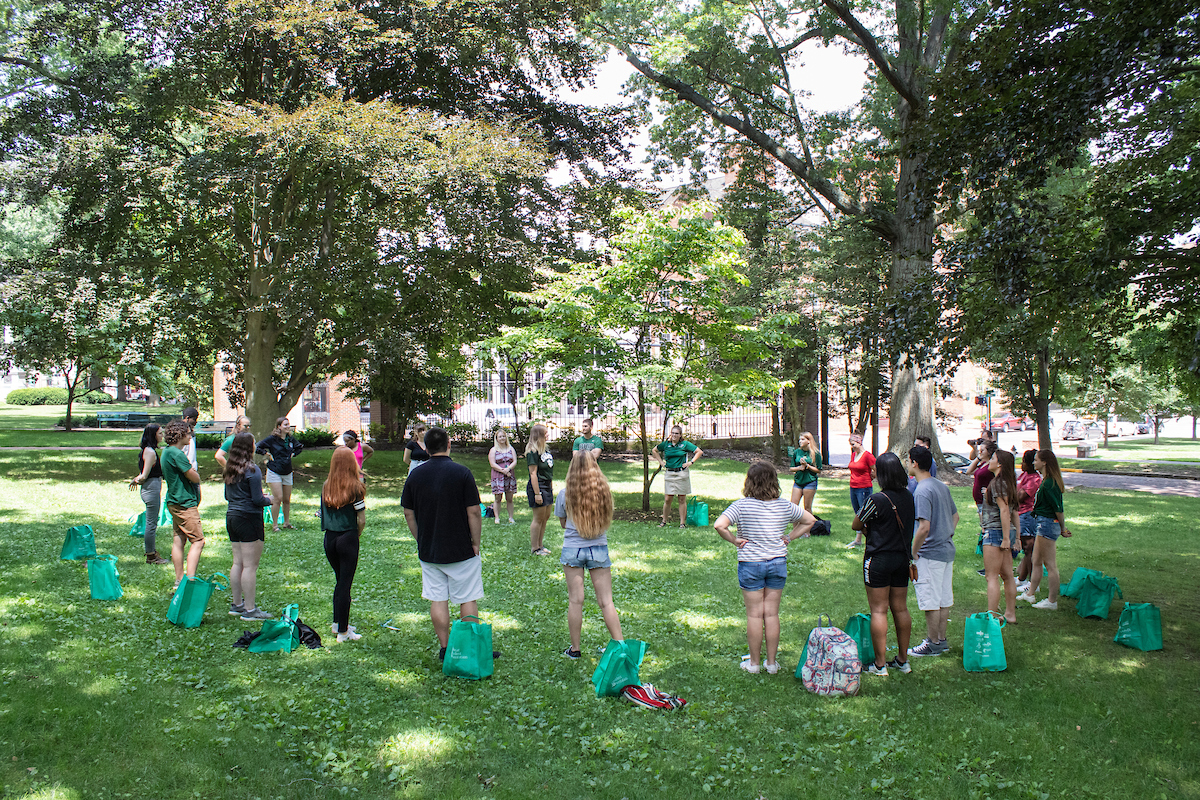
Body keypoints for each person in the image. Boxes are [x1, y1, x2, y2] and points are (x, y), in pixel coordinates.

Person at [713, 462, 815, 674]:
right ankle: (771, 663)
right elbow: (809, 520)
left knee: (754, 616)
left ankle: (754, 664)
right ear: (773, 482)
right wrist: (789, 537)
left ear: (749, 482)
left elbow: (719, 525)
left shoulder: (741, 506)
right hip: (777, 563)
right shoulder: (784, 505)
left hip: (751, 564)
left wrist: (734, 540)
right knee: (771, 614)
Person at [400, 427, 490, 662]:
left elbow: (408, 513)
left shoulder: (415, 476)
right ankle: (469, 647)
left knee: (437, 598)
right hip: (461, 547)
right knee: (467, 598)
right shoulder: (462, 473)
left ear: (426, 448)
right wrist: (476, 542)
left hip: (430, 549)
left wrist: (420, 538)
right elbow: (474, 512)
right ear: (449, 445)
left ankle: (445, 647)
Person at [850, 453, 916, 676]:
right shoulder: (909, 496)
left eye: (875, 469)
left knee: (879, 610)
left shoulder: (876, 500)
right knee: (901, 608)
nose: (872, 472)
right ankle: (902, 660)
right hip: (901, 559)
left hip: (878, 559)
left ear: (883, 473)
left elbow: (856, 524)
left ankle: (879, 664)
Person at [556, 451, 623, 658]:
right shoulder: (603, 492)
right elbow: (606, 520)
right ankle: (620, 647)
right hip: (599, 549)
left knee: (576, 600)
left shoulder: (564, 494)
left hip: (572, 549)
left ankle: (575, 649)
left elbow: (563, 522)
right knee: (606, 601)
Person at [907, 446, 959, 657]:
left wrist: (914, 551)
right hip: (946, 552)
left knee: (930, 600)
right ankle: (941, 640)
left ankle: (932, 643)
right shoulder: (941, 486)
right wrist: (946, 534)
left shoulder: (922, 490)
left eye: (908, 460)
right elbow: (955, 517)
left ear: (915, 463)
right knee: (943, 599)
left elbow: (924, 527)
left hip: (930, 554)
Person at [223, 432, 273, 621]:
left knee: (238, 562)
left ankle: (237, 605)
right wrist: (271, 500)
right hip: (249, 518)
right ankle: (250, 610)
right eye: (253, 443)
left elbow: (228, 496)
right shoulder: (252, 469)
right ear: (249, 447)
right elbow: (258, 499)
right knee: (250, 566)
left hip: (232, 516)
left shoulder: (230, 468)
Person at [320, 447, 367, 642]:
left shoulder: (326, 486)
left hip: (330, 539)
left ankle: (337, 622)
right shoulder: (356, 487)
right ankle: (343, 632)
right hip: (348, 538)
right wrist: (356, 535)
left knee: (339, 582)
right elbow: (361, 520)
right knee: (345, 585)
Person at [1018, 450, 1073, 610]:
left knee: (1050, 565)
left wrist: (1063, 528)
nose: (1033, 463)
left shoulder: (1050, 483)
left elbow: (1059, 509)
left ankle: (1051, 601)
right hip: (1042, 523)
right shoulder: (1046, 481)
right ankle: (1030, 594)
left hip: (1048, 524)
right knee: (1036, 561)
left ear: (1045, 462)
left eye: (1036, 460)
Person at [160, 419, 205, 587]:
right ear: (179, 435)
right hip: (184, 503)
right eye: (188, 433)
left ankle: (179, 580)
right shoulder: (176, 454)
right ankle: (189, 580)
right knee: (198, 541)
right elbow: (193, 476)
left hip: (174, 501)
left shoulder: (167, 452)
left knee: (179, 538)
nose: (190, 436)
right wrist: (195, 473)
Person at [980, 450, 1020, 624]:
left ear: (1000, 464)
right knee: (1007, 575)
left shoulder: (997, 483)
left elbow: (1005, 511)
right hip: (1005, 531)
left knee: (991, 576)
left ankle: (992, 615)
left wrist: (1006, 539)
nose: (990, 461)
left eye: (993, 458)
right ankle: (1010, 614)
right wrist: (1015, 537)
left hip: (996, 533)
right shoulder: (1008, 483)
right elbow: (1015, 512)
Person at [128, 424, 170, 564]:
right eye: (159, 433)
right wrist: (136, 480)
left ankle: (151, 553)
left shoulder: (147, 450)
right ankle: (151, 556)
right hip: (151, 488)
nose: (162, 435)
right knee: (151, 523)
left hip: (151, 487)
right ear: (153, 435)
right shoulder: (150, 452)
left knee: (151, 522)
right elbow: (144, 476)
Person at [255, 417, 304, 531]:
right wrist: (266, 453)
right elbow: (258, 447)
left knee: (287, 499)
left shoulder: (290, 439)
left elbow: (299, 447)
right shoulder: (272, 439)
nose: (288, 426)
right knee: (278, 498)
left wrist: (294, 454)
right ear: (279, 427)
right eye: (285, 425)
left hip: (287, 471)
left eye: (288, 424)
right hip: (274, 471)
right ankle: (275, 525)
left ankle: (286, 523)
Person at [654, 425, 703, 528]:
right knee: (668, 498)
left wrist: (690, 462)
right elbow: (654, 450)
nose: (674, 435)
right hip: (669, 473)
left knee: (681, 498)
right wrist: (661, 462)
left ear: (680, 435)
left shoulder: (684, 444)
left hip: (681, 473)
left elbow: (699, 451)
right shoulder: (666, 445)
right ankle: (663, 521)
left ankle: (682, 523)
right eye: (673, 433)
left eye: (677, 433)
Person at [1014, 449, 1042, 592]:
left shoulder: (1034, 479)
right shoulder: (1024, 475)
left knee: (1029, 548)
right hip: (1020, 514)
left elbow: (1020, 496)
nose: (1021, 464)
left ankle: (1032, 583)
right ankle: (1021, 579)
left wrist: (1014, 494)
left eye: (1024, 461)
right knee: (1026, 550)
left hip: (1027, 515)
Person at [525, 423, 555, 555]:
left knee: (545, 517)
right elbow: (533, 474)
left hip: (547, 486)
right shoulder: (532, 451)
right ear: (539, 435)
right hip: (538, 485)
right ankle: (534, 548)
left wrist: (551, 487)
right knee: (538, 518)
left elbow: (549, 471)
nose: (548, 435)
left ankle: (540, 545)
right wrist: (537, 493)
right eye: (545, 433)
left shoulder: (545, 449)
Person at [844, 433, 876, 547]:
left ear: (859, 442)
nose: (852, 446)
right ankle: (858, 539)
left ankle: (870, 538)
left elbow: (875, 468)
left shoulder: (867, 456)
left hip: (864, 487)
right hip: (853, 486)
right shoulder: (854, 455)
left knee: (865, 513)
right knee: (858, 513)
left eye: (853, 444)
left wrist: (872, 477)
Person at [487, 428, 518, 524]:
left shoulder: (510, 448)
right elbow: (492, 464)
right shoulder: (493, 450)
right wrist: (504, 471)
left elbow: (515, 461)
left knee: (509, 498)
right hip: (498, 476)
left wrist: (508, 469)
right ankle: (497, 518)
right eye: (500, 437)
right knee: (498, 498)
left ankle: (511, 517)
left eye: (503, 436)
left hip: (509, 475)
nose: (502, 438)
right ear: (496, 438)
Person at [787, 431, 821, 514]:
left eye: (802, 439)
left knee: (807, 508)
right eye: (799, 439)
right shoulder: (797, 452)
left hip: (810, 482)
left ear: (808, 441)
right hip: (798, 481)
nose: (800, 441)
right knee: (793, 507)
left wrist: (807, 466)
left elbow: (819, 470)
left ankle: (811, 526)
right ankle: (796, 527)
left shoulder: (815, 453)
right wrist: (799, 468)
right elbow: (791, 468)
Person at [182, 407, 202, 503]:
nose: (196, 422)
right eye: (194, 419)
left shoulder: (191, 432)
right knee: (193, 499)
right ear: (187, 418)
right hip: (187, 471)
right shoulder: (181, 433)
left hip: (193, 470)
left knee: (196, 498)